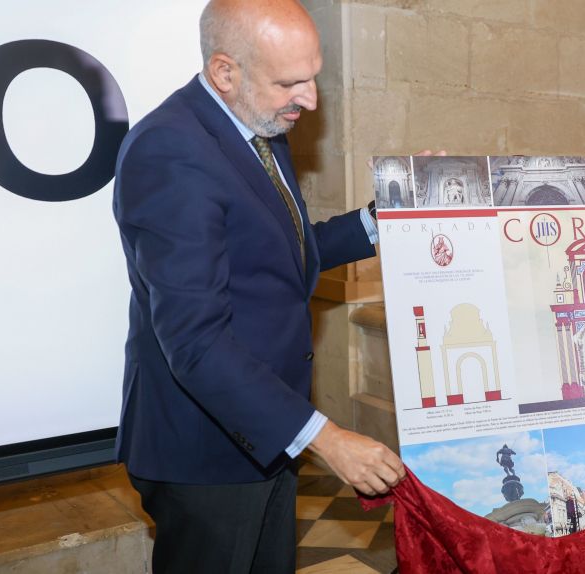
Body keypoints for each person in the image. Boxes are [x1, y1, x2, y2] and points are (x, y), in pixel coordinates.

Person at [113, 1, 410, 572]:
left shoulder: (255, 122)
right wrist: (327, 437)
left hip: (265, 431)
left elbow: (280, 250)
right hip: (205, 453)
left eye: (314, 76)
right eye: (291, 82)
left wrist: (383, 219)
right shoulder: (171, 152)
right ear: (226, 72)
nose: (312, 99)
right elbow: (197, 344)